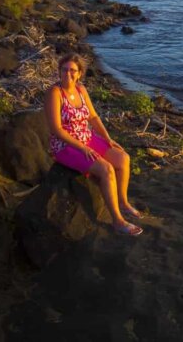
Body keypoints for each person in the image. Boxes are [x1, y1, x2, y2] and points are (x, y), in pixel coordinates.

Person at [47, 53, 143, 236]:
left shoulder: (81, 89)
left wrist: (107, 138)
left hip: (86, 136)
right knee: (106, 169)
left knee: (123, 158)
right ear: (59, 71)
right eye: (64, 69)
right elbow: (56, 130)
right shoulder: (55, 93)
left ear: (79, 74)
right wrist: (82, 148)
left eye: (72, 70)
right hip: (65, 144)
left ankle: (122, 201)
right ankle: (117, 221)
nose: (68, 73)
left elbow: (93, 117)